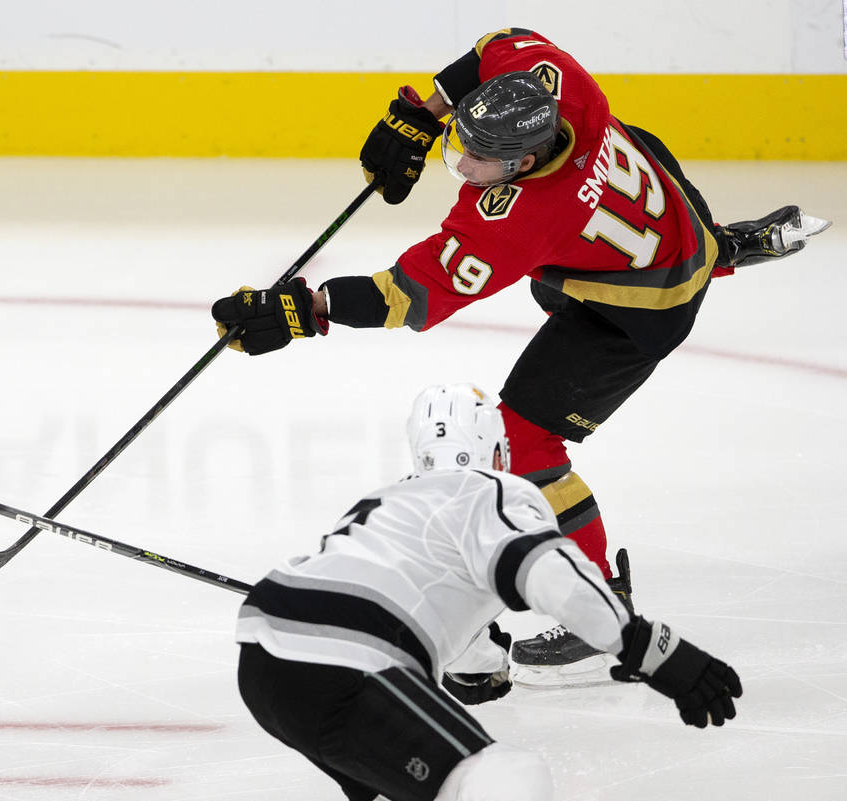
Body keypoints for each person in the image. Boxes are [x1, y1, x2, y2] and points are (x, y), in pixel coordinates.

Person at [213, 28, 830, 685]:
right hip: (662, 205)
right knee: (608, 187)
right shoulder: (558, 84)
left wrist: (304, 310)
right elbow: (499, 44)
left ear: (523, 165)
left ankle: (604, 612)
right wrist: (424, 113)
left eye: (480, 159)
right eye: (463, 141)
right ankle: (717, 248)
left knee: (525, 440)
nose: (462, 162)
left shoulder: (517, 220)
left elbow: (407, 298)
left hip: (643, 308)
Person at [236, 382, 741, 801]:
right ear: (497, 451)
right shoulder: (491, 490)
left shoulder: (386, 500)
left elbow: (441, 628)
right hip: (348, 656)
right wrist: (654, 652)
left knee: (436, 782)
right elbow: (548, 573)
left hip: (265, 661)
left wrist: (481, 668)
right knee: (504, 778)